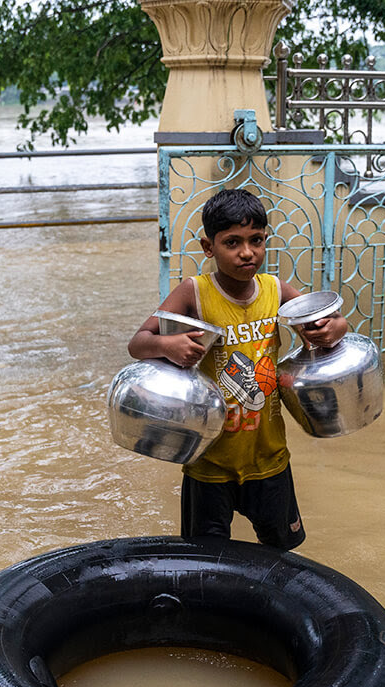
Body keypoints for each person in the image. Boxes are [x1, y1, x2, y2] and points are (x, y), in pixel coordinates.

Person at [127, 188, 348, 550]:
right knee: (206, 560)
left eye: (256, 240)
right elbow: (138, 343)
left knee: (282, 553)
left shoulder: (274, 289)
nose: (247, 252)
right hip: (210, 461)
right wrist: (167, 345)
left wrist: (333, 329)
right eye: (232, 242)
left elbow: (333, 323)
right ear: (208, 247)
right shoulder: (193, 292)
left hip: (269, 456)